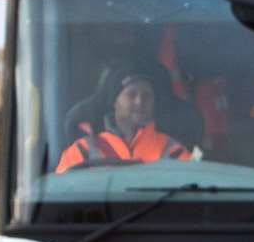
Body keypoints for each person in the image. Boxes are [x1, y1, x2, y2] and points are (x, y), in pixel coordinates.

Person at [56, 65, 191, 173]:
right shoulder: (83, 151)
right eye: (131, 95)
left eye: (147, 96)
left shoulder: (174, 152)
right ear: (115, 102)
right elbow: (61, 196)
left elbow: (192, 196)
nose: (139, 101)